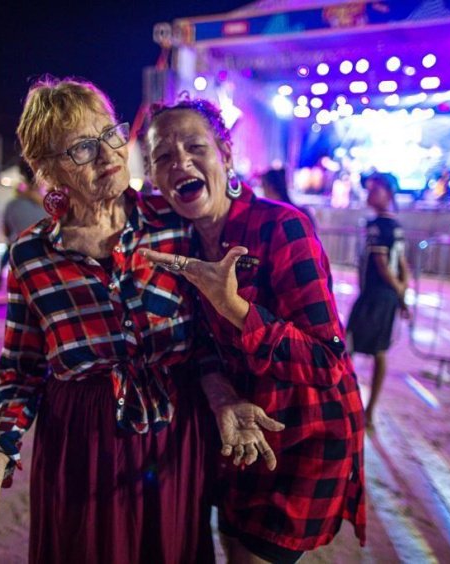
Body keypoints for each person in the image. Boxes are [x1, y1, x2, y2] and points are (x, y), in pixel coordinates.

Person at [0, 78, 280, 564]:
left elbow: (201, 340)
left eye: (111, 134)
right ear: (48, 170)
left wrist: (223, 397)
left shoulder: (171, 225)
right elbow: (22, 372)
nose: (109, 153)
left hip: (174, 437)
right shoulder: (31, 254)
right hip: (82, 446)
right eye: (82, 148)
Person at [140, 98, 365, 563]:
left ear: (224, 154)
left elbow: (328, 361)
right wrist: (221, 395)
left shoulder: (283, 228)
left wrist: (237, 308)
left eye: (195, 146)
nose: (180, 161)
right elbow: (200, 346)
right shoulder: (180, 243)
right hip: (238, 438)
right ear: (155, 177)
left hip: (302, 441)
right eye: (163, 156)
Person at [345, 173, 411, 431]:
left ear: (388, 193)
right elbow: (403, 265)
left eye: (375, 190)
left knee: (348, 346)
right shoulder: (396, 225)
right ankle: (368, 410)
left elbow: (384, 266)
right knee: (377, 351)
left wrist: (398, 291)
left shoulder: (377, 225)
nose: (369, 195)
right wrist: (402, 293)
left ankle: (347, 405)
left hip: (374, 296)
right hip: (387, 296)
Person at [0, 175, 47, 290]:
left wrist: (10, 238)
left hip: (16, 243)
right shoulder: (44, 207)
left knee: (6, 258)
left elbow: (6, 228)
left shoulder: (13, 205)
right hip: (39, 246)